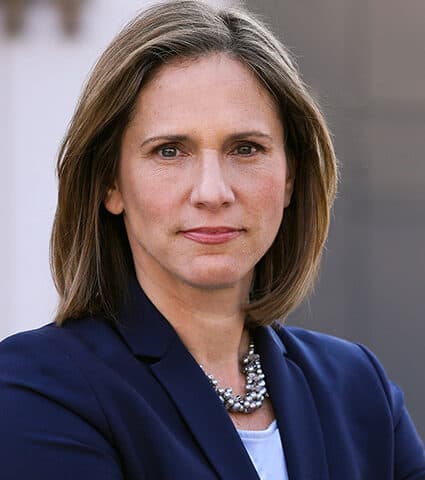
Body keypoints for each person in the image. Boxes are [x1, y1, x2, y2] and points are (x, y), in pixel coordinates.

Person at [1, 1, 424, 478]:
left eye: (245, 149)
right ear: (110, 183)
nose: (212, 191)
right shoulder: (40, 387)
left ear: (290, 177)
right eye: (169, 151)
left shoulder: (358, 389)